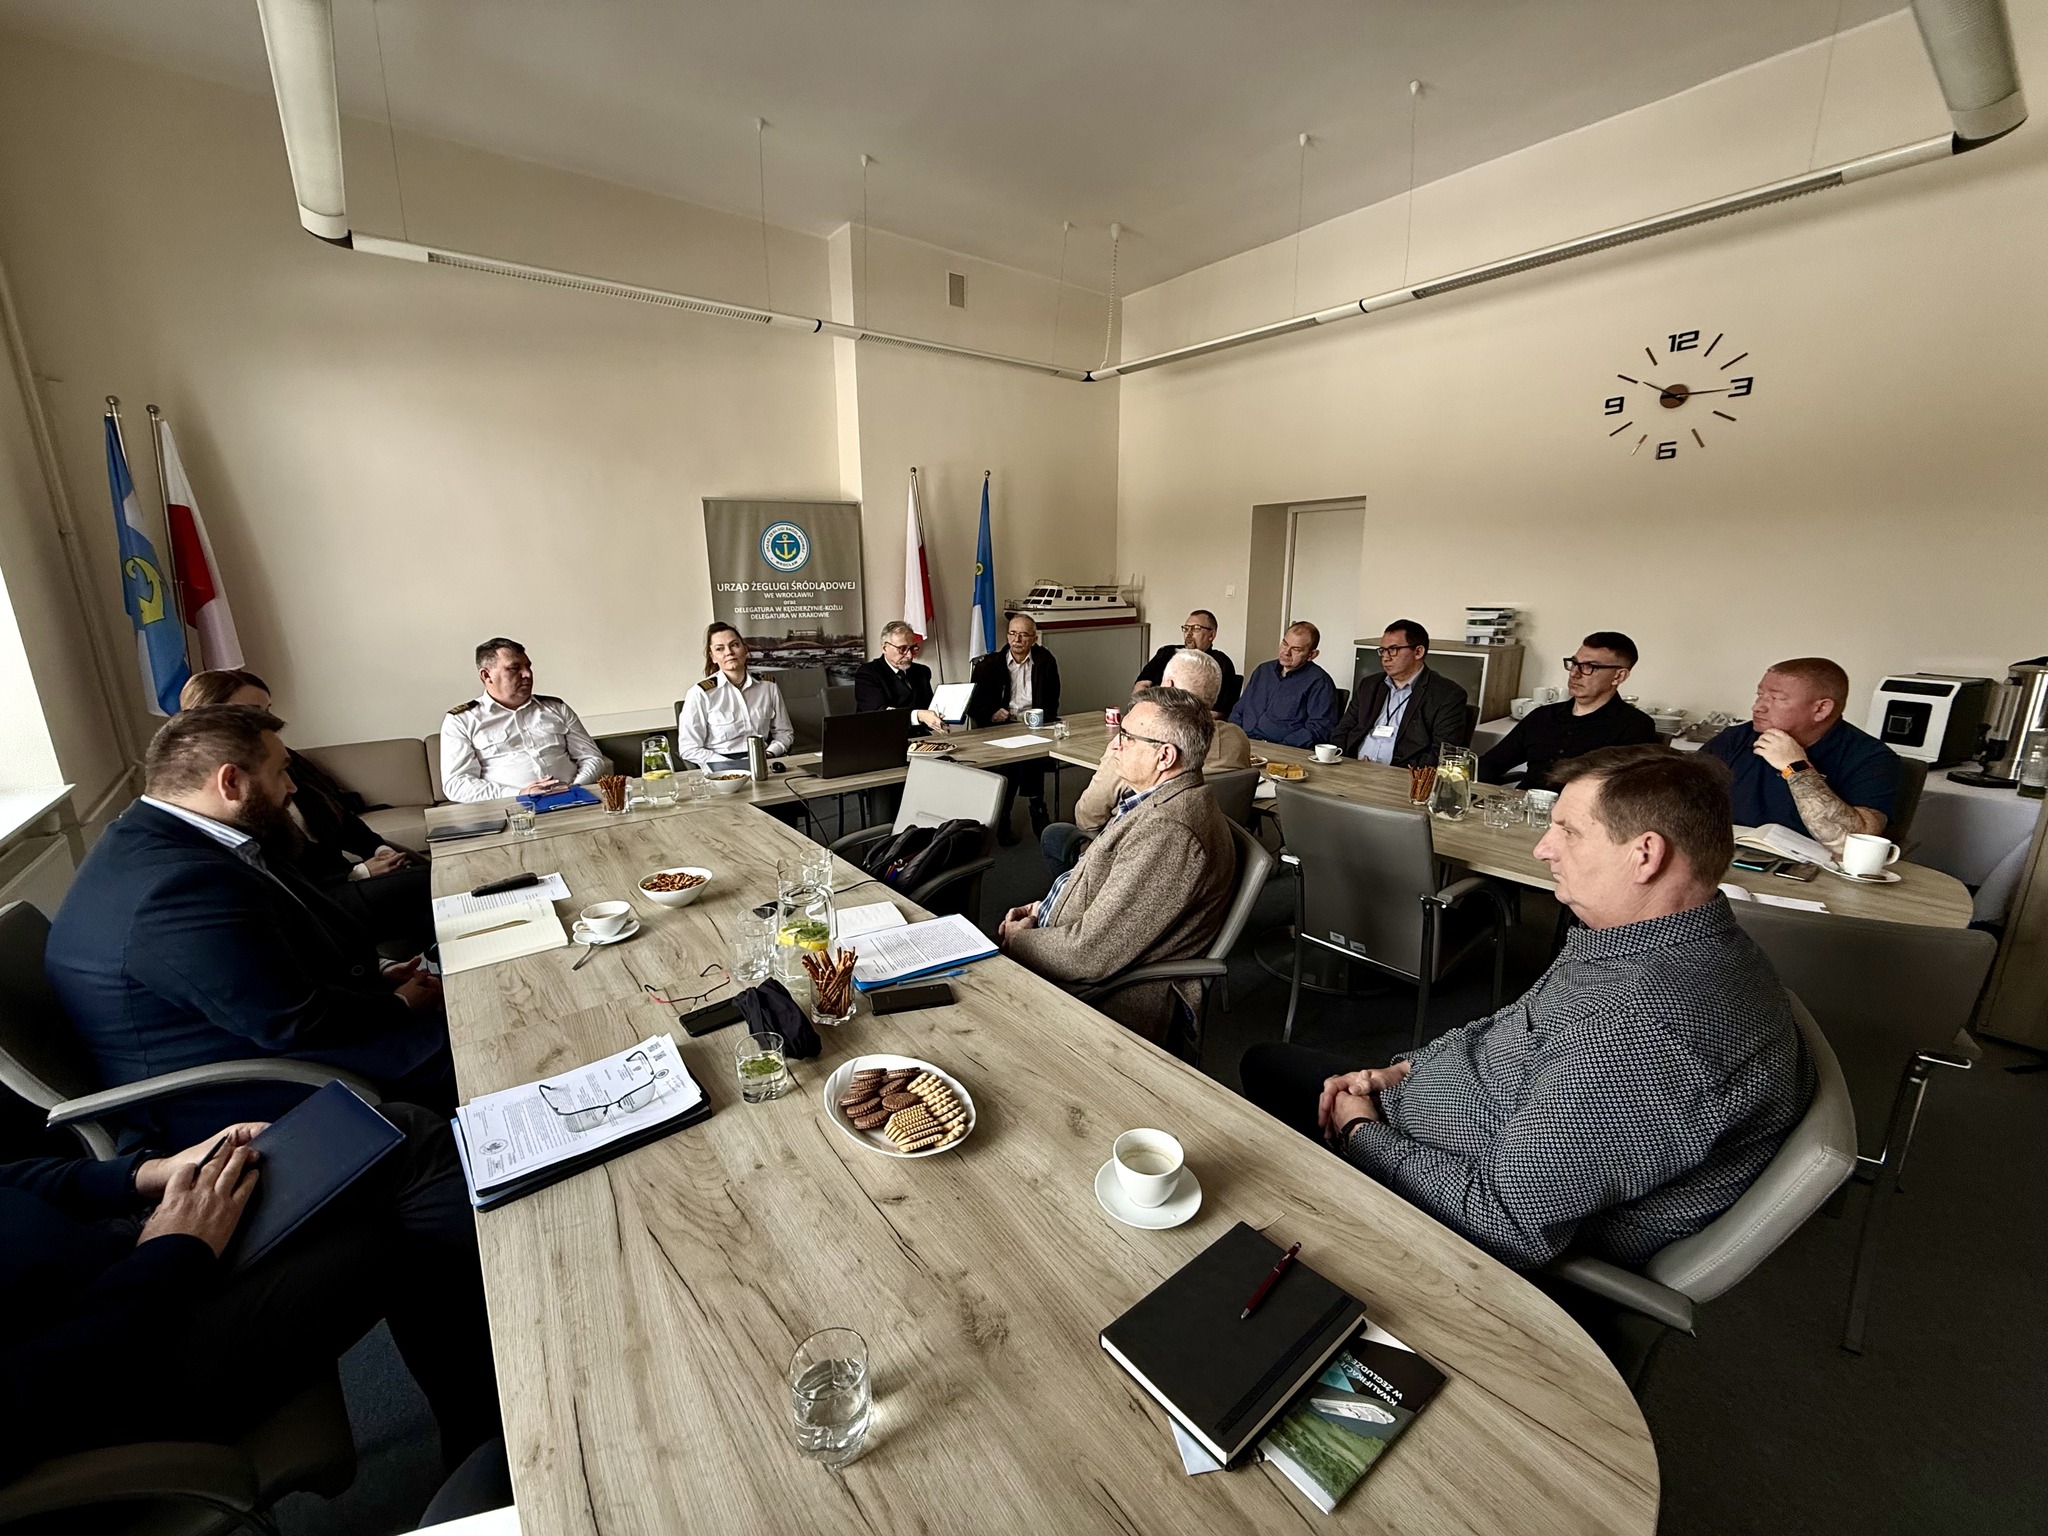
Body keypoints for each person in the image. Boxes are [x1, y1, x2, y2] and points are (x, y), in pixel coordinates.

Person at [1238, 746, 1813, 1271]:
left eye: (1569, 831)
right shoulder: (1641, 939)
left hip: (1451, 1219)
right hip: (1432, 1112)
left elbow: (1504, 1223)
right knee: (1267, 1064)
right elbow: (1511, 1025)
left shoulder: (1646, 1030)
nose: (1544, 849)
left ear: (1645, 855)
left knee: (1248, 1136)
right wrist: (1402, 1070)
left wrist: (1360, 1132)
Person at [0, 1106, 499, 1486]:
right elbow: (33, 1394)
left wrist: (148, 1174)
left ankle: (489, 1436)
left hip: (131, 1253)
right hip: (116, 1368)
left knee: (391, 1133)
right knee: (387, 1219)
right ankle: (496, 1451)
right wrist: (171, 1252)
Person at [45, 707, 452, 1146]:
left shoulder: (185, 837)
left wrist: (376, 978)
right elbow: (292, 1021)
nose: (292, 787)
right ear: (231, 782)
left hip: (261, 1036)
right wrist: (398, 1006)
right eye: (281, 772)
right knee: (478, 1042)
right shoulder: (175, 886)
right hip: (238, 1087)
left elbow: (266, 963)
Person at [1000, 689, 1237, 1043]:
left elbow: (1088, 956)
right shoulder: (1158, 801)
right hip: (1069, 951)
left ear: (1164, 756)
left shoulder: (1169, 833)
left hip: (1100, 997)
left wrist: (1019, 941)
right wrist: (1042, 908)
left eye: (1126, 737)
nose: (1114, 746)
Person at [181, 668, 432, 955]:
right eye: (253, 713)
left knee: (435, 887)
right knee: (432, 886)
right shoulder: (225, 793)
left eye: (268, 711)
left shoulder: (283, 757)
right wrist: (359, 872)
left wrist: (378, 850)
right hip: (317, 901)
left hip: (344, 882)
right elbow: (278, 876)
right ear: (209, 717)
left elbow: (340, 817)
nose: (269, 723)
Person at [1043, 648, 1254, 876]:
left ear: (1168, 685)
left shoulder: (1137, 748)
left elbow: (1089, 816)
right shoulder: (1237, 739)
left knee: (1055, 835)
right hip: (1211, 851)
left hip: (1131, 854)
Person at [1700, 657, 1901, 854]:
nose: (1758, 707)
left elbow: (1853, 844)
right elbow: (1684, 798)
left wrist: (1796, 767)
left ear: (1821, 709)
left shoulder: (1871, 758)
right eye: (1760, 695)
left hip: (1816, 870)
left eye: (1777, 698)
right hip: (1726, 855)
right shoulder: (1736, 739)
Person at [1479, 632, 1659, 788]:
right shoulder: (1543, 716)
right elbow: (1491, 763)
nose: (1574, 674)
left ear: (1618, 676)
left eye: (1589, 667)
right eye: (1574, 663)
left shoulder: (1634, 725)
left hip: (1582, 814)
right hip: (1524, 807)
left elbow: (1624, 793)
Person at [441, 638, 604, 802]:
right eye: (514, 668)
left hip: (574, 799)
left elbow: (592, 758)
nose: (528, 674)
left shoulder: (556, 708)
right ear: (487, 675)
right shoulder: (462, 720)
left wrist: (575, 787)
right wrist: (520, 794)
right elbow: (457, 784)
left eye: (528, 666)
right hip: (510, 807)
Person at [968, 613, 1062, 842]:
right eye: (1012, 633)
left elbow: (1053, 700)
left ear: (1034, 638)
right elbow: (973, 705)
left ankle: (1008, 813)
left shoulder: (1045, 661)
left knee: (1028, 754)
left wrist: (1041, 717)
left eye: (1024, 635)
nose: (1017, 639)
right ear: (1007, 635)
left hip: (1035, 725)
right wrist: (992, 713)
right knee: (1018, 759)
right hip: (1000, 727)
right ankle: (1035, 807)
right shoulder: (989, 665)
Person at [1332, 619, 1470, 767]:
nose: (1385, 657)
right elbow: (1342, 731)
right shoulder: (1370, 685)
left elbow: (1441, 755)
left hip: (1402, 775)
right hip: (1353, 768)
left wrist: (1389, 772)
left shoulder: (1447, 695)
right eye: (1383, 650)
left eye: (1393, 649)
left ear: (1418, 652)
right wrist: (1343, 763)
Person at [677, 622, 795, 767]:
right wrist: (732, 765)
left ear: (745, 649)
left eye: (734, 645)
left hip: (763, 761)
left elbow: (785, 733)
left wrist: (770, 753)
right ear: (713, 657)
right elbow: (688, 749)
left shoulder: (768, 686)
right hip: (721, 766)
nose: (729, 652)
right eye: (720, 649)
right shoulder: (700, 693)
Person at [1229, 622, 1339, 748]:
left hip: (1282, 749)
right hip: (1244, 742)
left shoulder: (1319, 682)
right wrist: (1234, 736)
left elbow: (1319, 728)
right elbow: (1239, 710)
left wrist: (1283, 747)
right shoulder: (1263, 670)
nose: (1286, 652)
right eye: (1285, 644)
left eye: (1296, 649)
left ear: (1312, 655)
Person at [1134, 610, 1240, 715]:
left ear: (1211, 635)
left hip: (1192, 721)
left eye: (1196, 628)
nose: (1189, 633)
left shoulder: (1221, 663)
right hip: (1152, 715)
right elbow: (1141, 686)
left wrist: (1173, 718)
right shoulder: (1166, 653)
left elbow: (1218, 712)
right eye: (1186, 628)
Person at [853, 621, 943, 732]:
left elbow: (928, 708)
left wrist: (940, 715)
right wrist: (918, 715)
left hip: (919, 737)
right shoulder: (868, 673)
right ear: (885, 648)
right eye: (902, 649)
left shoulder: (922, 671)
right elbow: (879, 715)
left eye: (913, 648)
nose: (909, 655)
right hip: (883, 737)